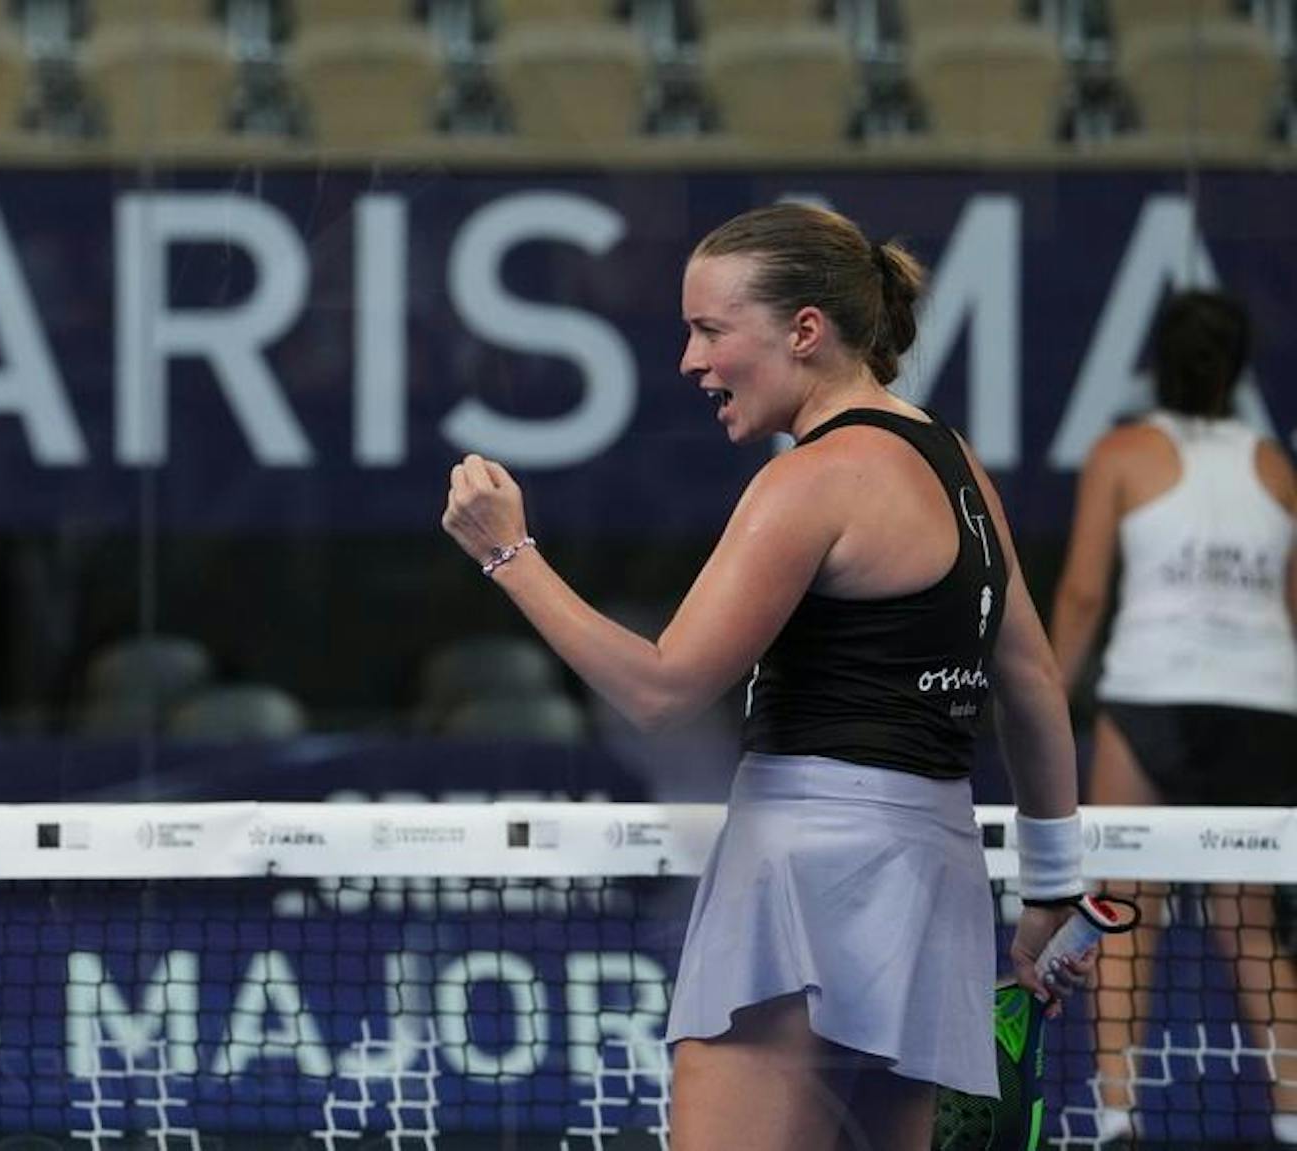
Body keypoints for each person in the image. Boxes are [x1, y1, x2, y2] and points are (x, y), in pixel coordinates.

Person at [441, 203, 1087, 1150]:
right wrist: (1051, 888)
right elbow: (1029, 679)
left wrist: (510, 555)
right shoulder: (957, 467)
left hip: (805, 873)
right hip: (936, 881)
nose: (689, 362)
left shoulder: (810, 480)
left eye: (709, 330)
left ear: (804, 331)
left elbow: (663, 689)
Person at [1048, 289, 1297, 1145]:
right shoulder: (1277, 466)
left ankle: (1118, 1120)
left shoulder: (1120, 451)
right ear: (1236, 368)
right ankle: (1296, 1120)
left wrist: (1039, 696)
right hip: (1263, 709)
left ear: (1157, 360)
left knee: (1117, 908)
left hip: (1148, 699)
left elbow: (1083, 594)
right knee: (1253, 929)